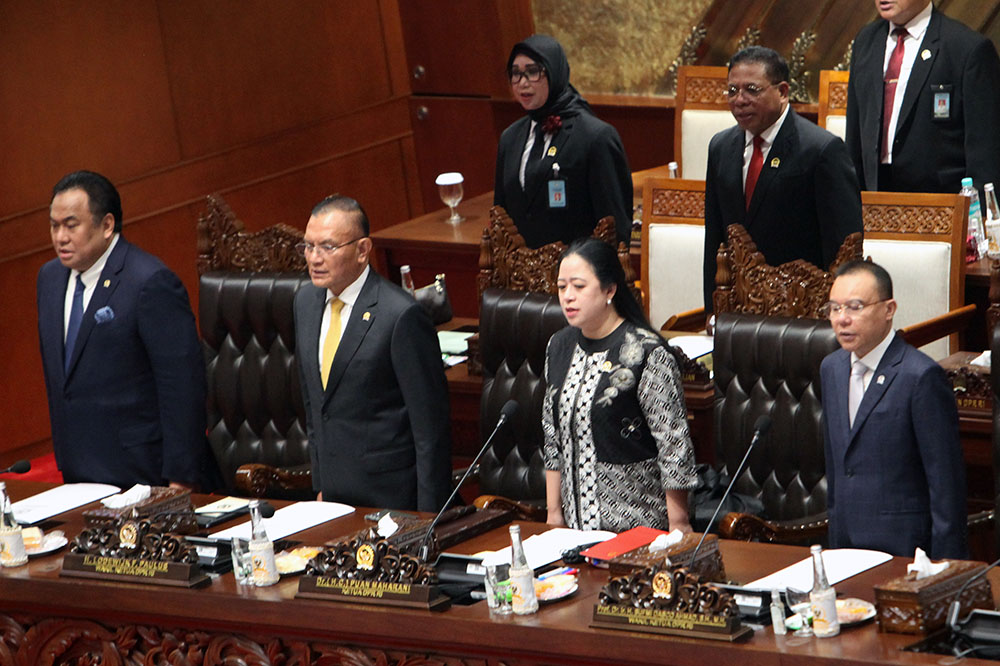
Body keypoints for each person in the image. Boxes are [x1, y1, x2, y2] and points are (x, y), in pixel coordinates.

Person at [37, 171, 218, 490]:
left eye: (71, 224)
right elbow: (62, 382)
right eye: (54, 225)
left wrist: (181, 476)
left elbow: (182, 387)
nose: (60, 237)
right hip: (78, 472)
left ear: (107, 225)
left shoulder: (149, 282)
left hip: (143, 474)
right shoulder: (50, 279)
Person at [293, 194, 451, 512]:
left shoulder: (399, 315)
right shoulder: (305, 302)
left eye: (327, 247)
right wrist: (321, 485)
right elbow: (315, 406)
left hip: (391, 499)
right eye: (308, 246)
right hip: (334, 500)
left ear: (362, 250)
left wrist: (427, 517)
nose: (314, 258)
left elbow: (430, 429)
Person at [542, 237, 697, 532]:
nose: (567, 297)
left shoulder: (646, 352)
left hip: (637, 526)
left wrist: (679, 524)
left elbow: (674, 446)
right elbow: (553, 438)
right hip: (573, 530)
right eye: (562, 287)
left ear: (609, 289)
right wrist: (553, 516)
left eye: (578, 286)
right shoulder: (558, 346)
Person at [820, 260, 967, 559]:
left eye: (855, 307)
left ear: (889, 309)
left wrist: (946, 567)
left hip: (905, 551)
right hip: (845, 547)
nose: (842, 319)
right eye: (834, 309)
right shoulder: (831, 368)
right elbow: (838, 466)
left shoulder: (920, 376)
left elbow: (945, 485)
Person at [703, 46, 862, 313]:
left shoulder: (821, 150)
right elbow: (715, 239)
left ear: (783, 91)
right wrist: (712, 311)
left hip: (802, 311)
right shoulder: (720, 147)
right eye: (732, 91)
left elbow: (843, 249)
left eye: (752, 90)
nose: (739, 100)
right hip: (739, 310)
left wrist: (837, 314)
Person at [846, 0, 1000, 195]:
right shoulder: (866, 41)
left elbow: (985, 154)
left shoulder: (966, 48)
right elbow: (854, 136)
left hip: (942, 204)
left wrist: (980, 217)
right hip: (875, 200)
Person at [494, 34, 633, 249]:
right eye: (516, 74)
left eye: (532, 72)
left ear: (553, 71)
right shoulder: (509, 139)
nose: (523, 82)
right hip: (522, 276)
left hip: (577, 276)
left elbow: (615, 226)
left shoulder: (596, 137)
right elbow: (501, 219)